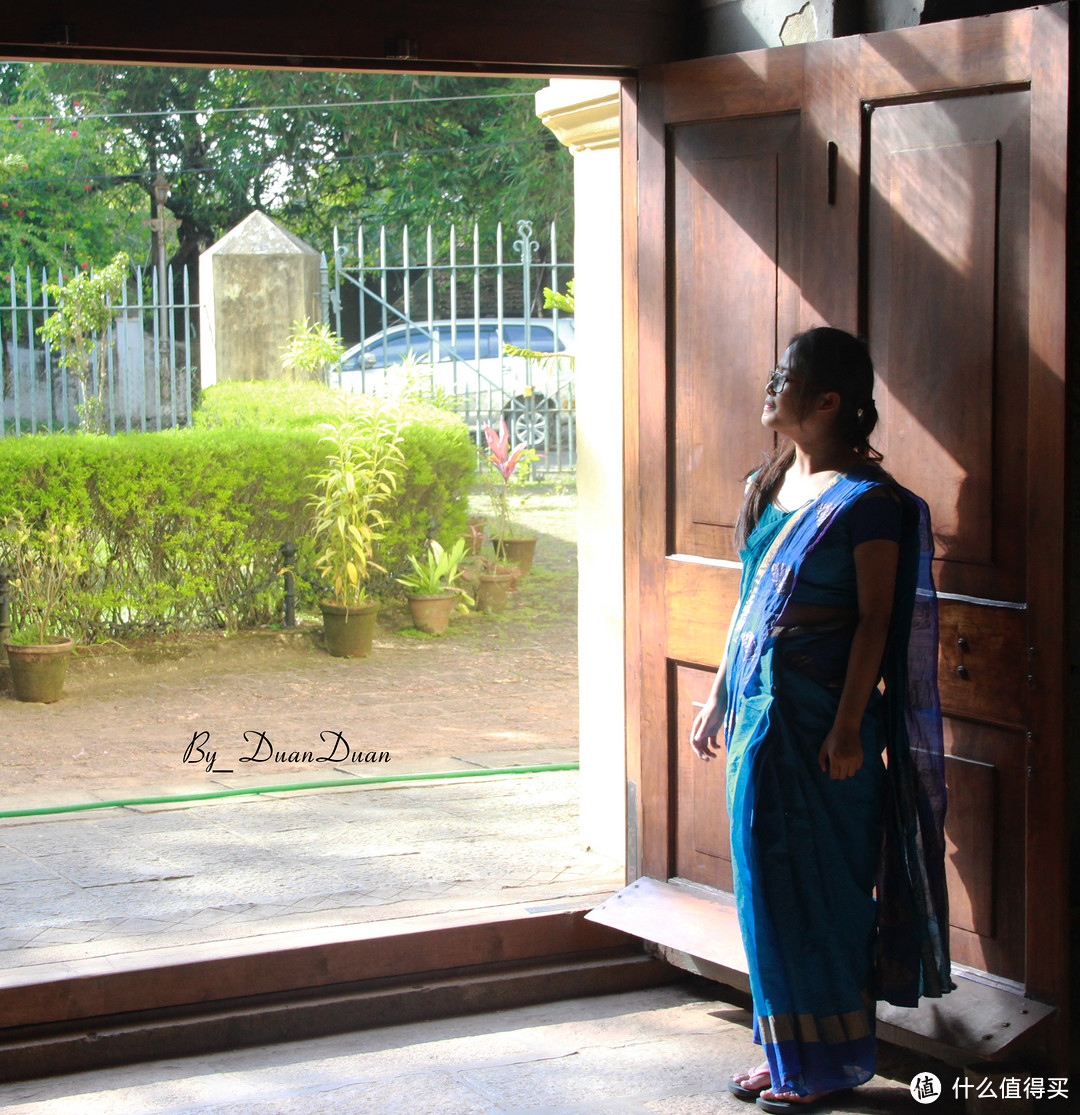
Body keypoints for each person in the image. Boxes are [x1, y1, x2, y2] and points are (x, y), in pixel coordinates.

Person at [689, 327, 951, 1113]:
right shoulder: (763, 486)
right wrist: (717, 693)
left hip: (822, 722)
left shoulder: (869, 504)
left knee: (826, 888)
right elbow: (749, 609)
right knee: (763, 884)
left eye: (786, 376)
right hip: (760, 713)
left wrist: (845, 728)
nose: (770, 385)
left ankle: (828, 1063)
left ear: (830, 400)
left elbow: (874, 622)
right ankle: (784, 1049)